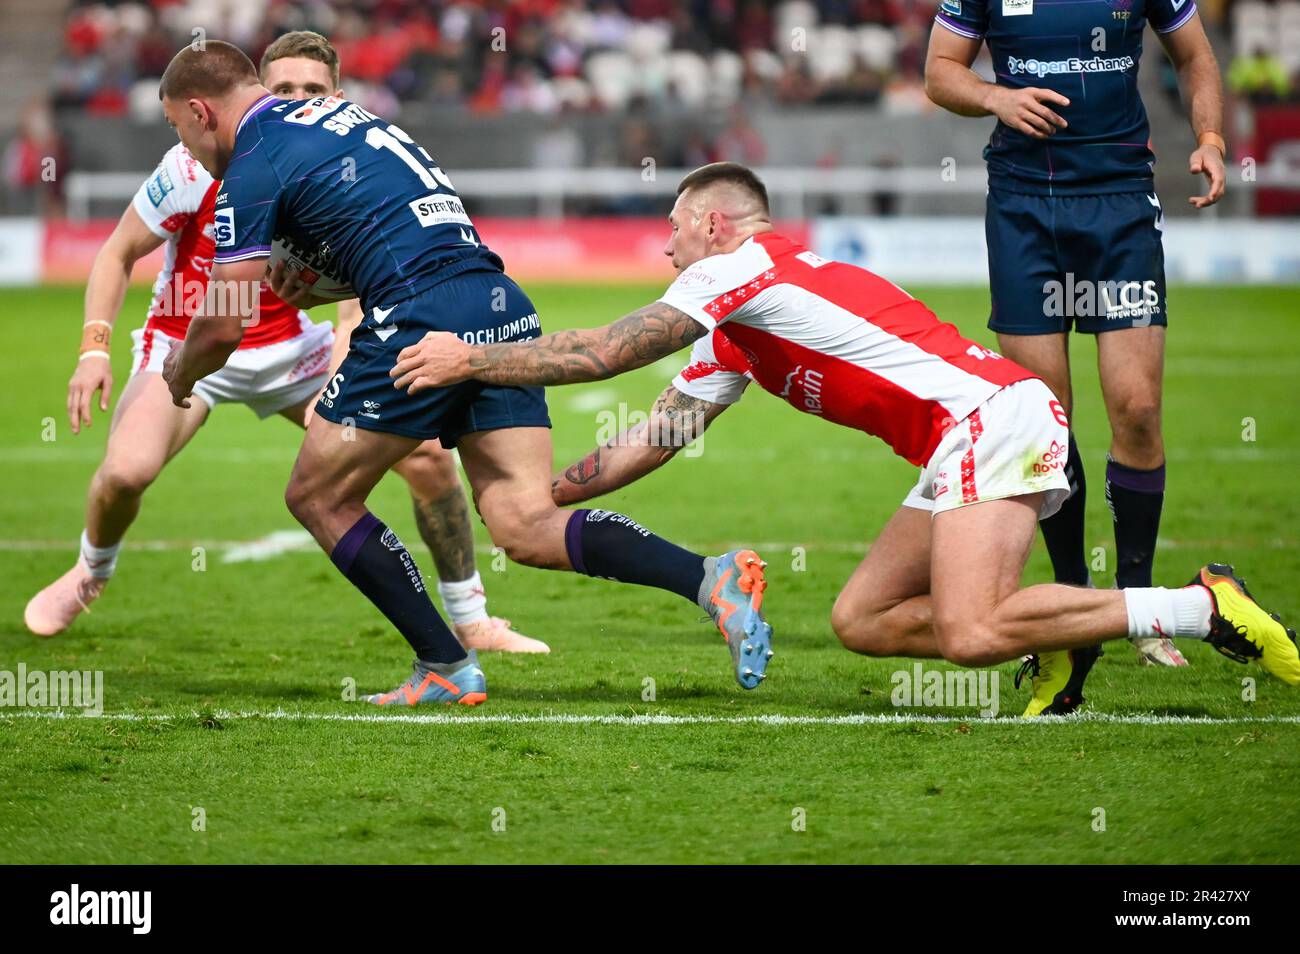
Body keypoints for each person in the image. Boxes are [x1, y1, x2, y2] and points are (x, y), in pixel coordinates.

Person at [389, 162, 1299, 715]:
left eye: (671, 234)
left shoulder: (747, 267)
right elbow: (655, 434)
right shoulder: (740, 325)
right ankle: (1053, 640)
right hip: (962, 439)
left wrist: (469, 361)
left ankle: (1201, 607)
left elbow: (602, 353)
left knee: (970, 627)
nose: (664, 252)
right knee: (859, 621)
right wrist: (539, 505)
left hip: (992, 419)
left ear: (713, 224)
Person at [154, 42, 772, 706]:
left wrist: (181, 373)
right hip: (495, 298)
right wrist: (317, 286)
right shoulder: (348, 117)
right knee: (522, 520)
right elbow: (387, 230)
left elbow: (223, 320)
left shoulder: (253, 157)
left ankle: (444, 663)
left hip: (418, 316)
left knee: (318, 496)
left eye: (177, 130)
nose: (186, 148)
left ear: (199, 110)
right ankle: (708, 579)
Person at [25, 32, 544, 655]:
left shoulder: (334, 153)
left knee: (430, 460)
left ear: (334, 100)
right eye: (285, 89)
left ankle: (470, 617)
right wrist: (93, 349)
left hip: (295, 347)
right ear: (256, 93)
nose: (298, 99)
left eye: (312, 91)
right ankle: (91, 569)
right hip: (191, 343)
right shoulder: (194, 163)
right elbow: (117, 253)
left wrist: (357, 339)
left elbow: (363, 274)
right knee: (126, 472)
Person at [924, 0, 1228, 678]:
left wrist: (1209, 138)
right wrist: (994, 97)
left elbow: (1196, 56)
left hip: (1118, 202)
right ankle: (1073, 604)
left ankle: (1140, 601)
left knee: (1138, 411)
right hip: (1024, 207)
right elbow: (940, 72)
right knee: (1046, 425)